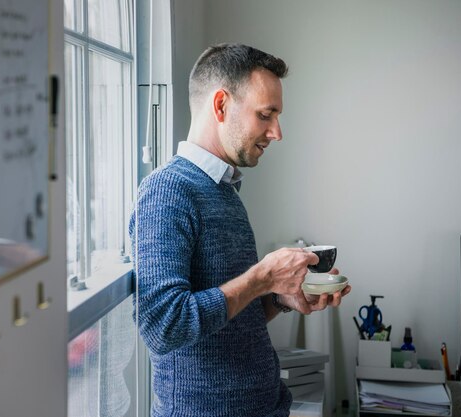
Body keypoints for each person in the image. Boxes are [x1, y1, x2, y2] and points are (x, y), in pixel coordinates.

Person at [129, 43, 352, 417]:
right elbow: (164, 326)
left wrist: (281, 298)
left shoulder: (223, 189)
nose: (276, 132)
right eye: (266, 115)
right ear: (220, 106)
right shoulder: (166, 191)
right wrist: (263, 276)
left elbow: (228, 313)